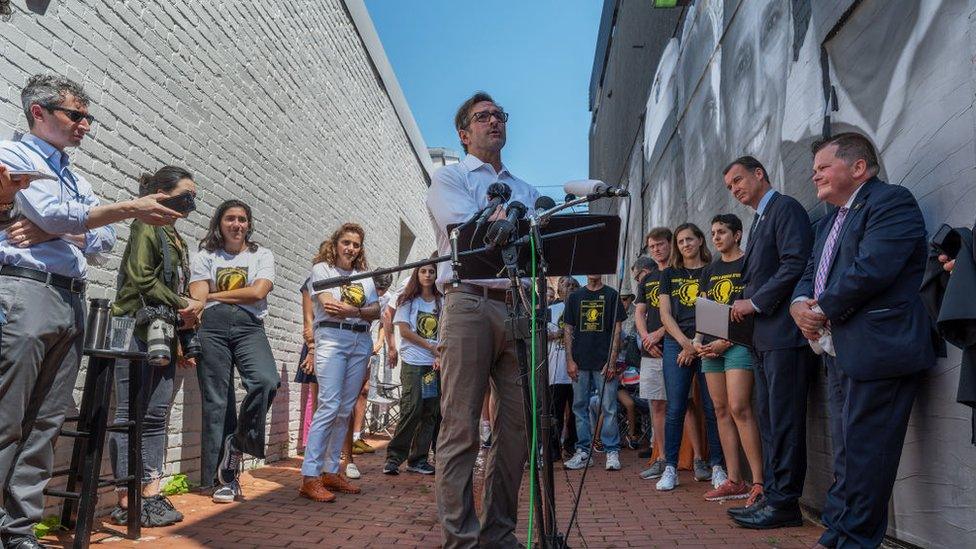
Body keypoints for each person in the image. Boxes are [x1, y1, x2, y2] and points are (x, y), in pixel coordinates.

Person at [0, 74, 180, 549]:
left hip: (71, 296)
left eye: (87, 117)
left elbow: (101, 241)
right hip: (25, 291)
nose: (85, 125)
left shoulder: (75, 177)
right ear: (39, 113)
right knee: (7, 417)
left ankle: (17, 531)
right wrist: (103, 215)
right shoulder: (13, 155)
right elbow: (65, 218)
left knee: (45, 422)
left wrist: (56, 229)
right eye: (75, 115)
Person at [790, 133, 934, 547]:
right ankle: (838, 532)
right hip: (839, 351)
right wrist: (799, 303)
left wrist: (819, 311)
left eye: (822, 167)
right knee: (848, 454)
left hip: (881, 350)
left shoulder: (891, 201)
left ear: (857, 168)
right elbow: (811, 270)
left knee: (869, 455)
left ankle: (854, 541)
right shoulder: (831, 219)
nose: (813, 174)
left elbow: (874, 268)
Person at [426, 91, 541, 547]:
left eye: (499, 115)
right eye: (482, 116)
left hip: (518, 306)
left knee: (517, 430)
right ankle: (462, 539)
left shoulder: (527, 189)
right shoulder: (448, 178)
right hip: (469, 302)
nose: (494, 121)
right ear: (463, 132)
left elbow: (539, 247)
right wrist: (514, 223)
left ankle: (500, 534)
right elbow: (473, 233)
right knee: (461, 426)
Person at [723, 155, 817, 528]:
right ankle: (772, 497)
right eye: (730, 187)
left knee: (785, 421)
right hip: (762, 339)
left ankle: (784, 504)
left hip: (784, 336)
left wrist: (755, 301)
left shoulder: (785, 208)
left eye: (738, 180)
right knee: (770, 419)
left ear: (759, 173)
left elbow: (795, 263)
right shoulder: (760, 219)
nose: (735, 190)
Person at [107, 166, 201, 528]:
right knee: (129, 412)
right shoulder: (146, 223)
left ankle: (149, 492)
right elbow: (141, 277)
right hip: (133, 325)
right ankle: (126, 498)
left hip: (162, 330)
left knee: (156, 413)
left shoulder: (176, 237)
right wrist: (183, 304)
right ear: (162, 193)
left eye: (194, 198)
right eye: (185, 196)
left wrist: (184, 317)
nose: (191, 203)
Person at [189, 199, 279, 504]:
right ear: (220, 222)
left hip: (249, 326)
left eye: (242, 219)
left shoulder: (261, 255)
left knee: (265, 381)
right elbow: (198, 299)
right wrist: (209, 299)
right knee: (217, 400)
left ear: (249, 225)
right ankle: (223, 479)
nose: (236, 224)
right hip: (211, 326)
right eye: (230, 219)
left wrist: (213, 294)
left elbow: (258, 291)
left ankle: (236, 443)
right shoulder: (205, 255)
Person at [299, 223, 380, 502]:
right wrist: (360, 311)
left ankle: (331, 471)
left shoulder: (365, 276)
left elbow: (376, 310)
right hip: (332, 339)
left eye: (356, 245)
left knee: (345, 408)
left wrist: (354, 310)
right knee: (330, 404)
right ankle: (310, 476)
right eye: (346, 243)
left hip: (361, 342)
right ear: (336, 245)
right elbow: (329, 304)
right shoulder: (323, 269)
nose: (351, 248)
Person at [694, 214, 763, 503]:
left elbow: (754, 309)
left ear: (737, 234)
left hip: (738, 344)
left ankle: (759, 482)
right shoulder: (710, 270)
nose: (716, 237)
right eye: (713, 233)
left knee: (739, 408)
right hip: (711, 348)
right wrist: (698, 342)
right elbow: (705, 309)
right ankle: (734, 480)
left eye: (722, 232)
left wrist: (725, 341)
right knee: (720, 410)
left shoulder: (749, 262)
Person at [656, 223, 725, 491]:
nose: (685, 244)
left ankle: (718, 466)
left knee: (713, 407)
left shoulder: (712, 269)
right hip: (677, 344)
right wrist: (685, 343)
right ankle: (671, 468)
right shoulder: (670, 273)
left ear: (699, 241)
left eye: (689, 239)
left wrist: (695, 345)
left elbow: (714, 310)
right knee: (676, 407)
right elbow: (664, 314)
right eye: (680, 241)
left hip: (708, 342)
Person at [562, 275, 628, 472]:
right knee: (579, 407)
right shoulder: (575, 297)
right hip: (580, 362)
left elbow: (617, 330)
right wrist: (569, 360)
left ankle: (611, 450)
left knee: (609, 407)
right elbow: (567, 330)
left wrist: (612, 360)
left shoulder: (612, 295)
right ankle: (583, 452)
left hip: (603, 362)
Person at [383, 264, 442, 475]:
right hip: (413, 363)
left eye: (431, 272)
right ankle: (394, 458)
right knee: (412, 408)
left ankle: (418, 460)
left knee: (429, 411)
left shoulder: (440, 301)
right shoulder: (408, 300)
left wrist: (440, 355)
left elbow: (445, 331)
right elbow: (405, 331)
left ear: (437, 275)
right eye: (423, 271)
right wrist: (431, 347)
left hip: (432, 366)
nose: (427, 275)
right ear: (417, 274)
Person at [340, 272, 393, 480]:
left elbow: (383, 320)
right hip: (346, 341)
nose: (380, 294)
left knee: (362, 390)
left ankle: (355, 436)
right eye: (378, 290)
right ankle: (338, 447)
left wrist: (380, 342)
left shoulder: (385, 298)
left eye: (383, 291)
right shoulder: (361, 287)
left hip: (366, 344)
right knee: (343, 395)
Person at [635, 230, 674, 477]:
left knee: (685, 404)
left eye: (660, 244)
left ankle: (697, 459)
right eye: (652, 246)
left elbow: (679, 312)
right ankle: (661, 457)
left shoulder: (679, 273)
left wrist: (660, 333)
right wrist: (646, 338)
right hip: (651, 351)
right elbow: (640, 312)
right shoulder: (647, 280)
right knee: (657, 405)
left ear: (670, 245)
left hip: (674, 344)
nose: (657, 249)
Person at [548, 276, 579, 459]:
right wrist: (558, 333)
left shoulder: (582, 309)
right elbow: (541, 334)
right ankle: (553, 449)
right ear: (559, 290)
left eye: (575, 285)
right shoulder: (550, 310)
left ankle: (572, 446)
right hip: (556, 371)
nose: (571, 288)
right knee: (555, 414)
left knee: (576, 412)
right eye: (567, 285)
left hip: (577, 371)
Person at [295, 278, 317, 453]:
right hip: (316, 342)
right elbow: (307, 320)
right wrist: (312, 348)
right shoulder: (312, 281)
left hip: (335, 343)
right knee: (314, 397)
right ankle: (310, 443)